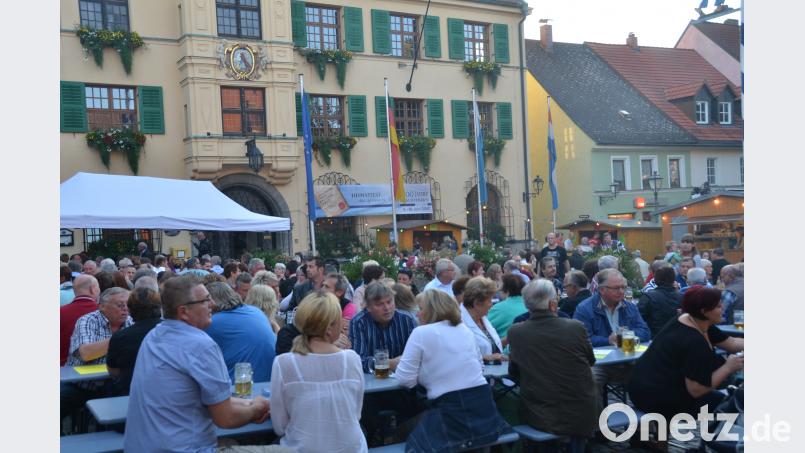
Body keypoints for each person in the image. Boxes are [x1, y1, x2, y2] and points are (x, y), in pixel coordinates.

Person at [124, 275, 282, 452]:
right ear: (183, 311)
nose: (213, 304)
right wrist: (257, 408)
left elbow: (212, 400)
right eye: (205, 300)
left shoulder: (153, 336)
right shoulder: (201, 345)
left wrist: (250, 404)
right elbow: (226, 418)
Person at [396, 290, 511, 452]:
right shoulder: (464, 330)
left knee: (404, 433)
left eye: (420, 309)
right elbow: (480, 367)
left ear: (432, 310)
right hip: (483, 410)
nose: (417, 315)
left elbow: (404, 380)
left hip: (451, 413)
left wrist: (425, 374)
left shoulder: (421, 333)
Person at [270, 291, 367, 452]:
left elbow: (280, 427)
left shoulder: (283, 363)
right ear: (330, 327)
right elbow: (355, 415)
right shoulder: (352, 359)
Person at [508, 279, 598, 451]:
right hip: (582, 412)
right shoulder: (575, 327)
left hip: (540, 413)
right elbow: (591, 361)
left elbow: (514, 372)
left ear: (527, 305)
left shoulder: (516, 332)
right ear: (552, 303)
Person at [629, 287, 744, 419]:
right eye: (718, 306)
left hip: (648, 386)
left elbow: (732, 343)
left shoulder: (692, 319)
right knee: (730, 405)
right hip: (656, 396)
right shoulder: (693, 340)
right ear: (704, 311)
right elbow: (697, 390)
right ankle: (717, 438)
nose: (723, 308)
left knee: (725, 399)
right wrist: (728, 368)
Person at [205, 282, 277, 383]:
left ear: (212, 301)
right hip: (271, 381)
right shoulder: (255, 311)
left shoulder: (212, 322)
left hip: (240, 387)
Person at [349, 281, 416, 373]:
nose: (387, 308)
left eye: (389, 302)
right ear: (368, 307)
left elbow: (417, 355)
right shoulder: (359, 322)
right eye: (379, 304)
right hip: (372, 383)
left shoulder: (407, 320)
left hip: (403, 380)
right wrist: (388, 363)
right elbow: (357, 360)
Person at [107, 287, 162, 396]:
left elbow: (113, 371)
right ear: (159, 307)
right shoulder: (173, 332)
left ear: (130, 310)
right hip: (167, 393)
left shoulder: (121, 337)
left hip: (132, 393)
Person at [460, 277, 506, 364]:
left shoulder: (482, 318)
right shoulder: (459, 323)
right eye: (489, 300)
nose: (491, 305)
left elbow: (493, 347)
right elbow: (458, 358)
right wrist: (484, 358)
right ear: (477, 303)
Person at [637, 265, 682, 337]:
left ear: (655, 280)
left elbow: (638, 319)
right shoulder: (682, 297)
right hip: (676, 339)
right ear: (673, 280)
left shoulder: (648, 297)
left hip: (653, 339)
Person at [486, 274, 526, 340]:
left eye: (499, 288)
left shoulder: (498, 308)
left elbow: (483, 329)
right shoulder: (531, 305)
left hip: (507, 348)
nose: (498, 291)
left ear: (507, 291)